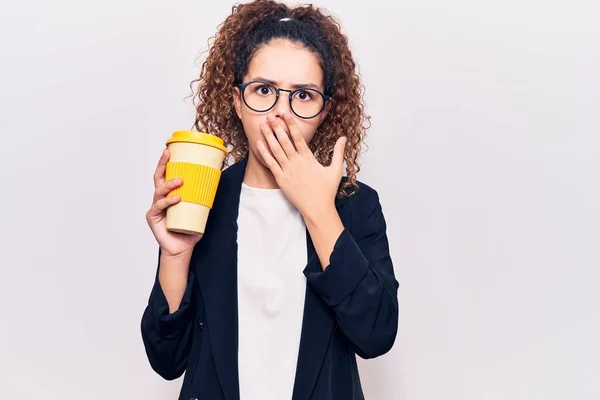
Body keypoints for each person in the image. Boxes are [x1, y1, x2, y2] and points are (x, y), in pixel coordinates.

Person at [141, 1, 399, 399]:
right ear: (236, 100)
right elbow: (167, 360)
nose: (281, 113)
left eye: (304, 95)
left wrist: (319, 210)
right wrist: (175, 256)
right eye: (263, 90)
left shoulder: (356, 204)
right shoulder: (203, 199)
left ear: (325, 110)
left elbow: (376, 334)